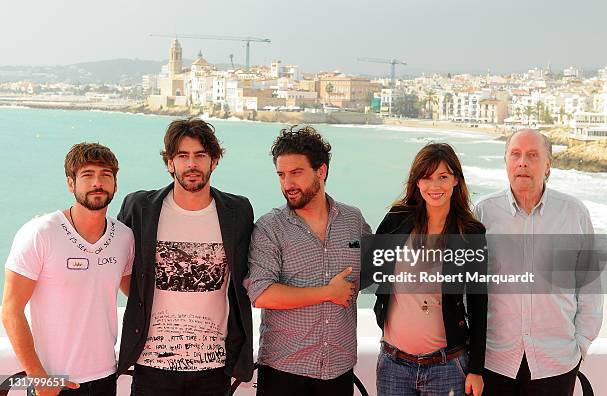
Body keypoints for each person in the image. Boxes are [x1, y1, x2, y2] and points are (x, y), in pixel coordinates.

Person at [116, 118, 254, 395]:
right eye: (183, 156)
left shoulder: (237, 211)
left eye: (200, 156)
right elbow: (119, 267)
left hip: (213, 367)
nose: (192, 164)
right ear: (170, 163)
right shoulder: (140, 208)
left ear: (213, 161)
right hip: (151, 364)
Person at [474, 129, 603, 395]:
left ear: (548, 165)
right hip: (494, 362)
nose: (523, 162)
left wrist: (580, 346)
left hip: (556, 363)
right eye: (516, 154)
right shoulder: (482, 213)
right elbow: (468, 287)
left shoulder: (574, 213)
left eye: (532, 155)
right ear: (506, 161)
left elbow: (590, 287)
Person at [245, 125, 371, 396]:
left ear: (321, 171)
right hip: (283, 370)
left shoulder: (353, 220)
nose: (287, 183)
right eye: (281, 175)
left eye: (296, 173)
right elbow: (261, 294)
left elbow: (376, 271)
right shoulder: (270, 227)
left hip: (338, 369)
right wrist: (327, 293)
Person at [2, 143, 134, 396]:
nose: (97, 182)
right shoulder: (40, 232)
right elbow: (10, 310)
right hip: (55, 380)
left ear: (115, 185)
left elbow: (134, 292)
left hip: (106, 375)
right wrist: (39, 378)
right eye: (87, 175)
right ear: (71, 184)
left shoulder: (124, 237)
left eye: (106, 175)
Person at [365, 143, 488, 396]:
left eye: (443, 177)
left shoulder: (470, 233)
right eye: (427, 177)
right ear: (417, 182)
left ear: (455, 180)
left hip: (447, 367)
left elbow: (479, 303)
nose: (435, 186)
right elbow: (369, 270)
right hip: (393, 364)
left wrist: (476, 369)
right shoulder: (397, 218)